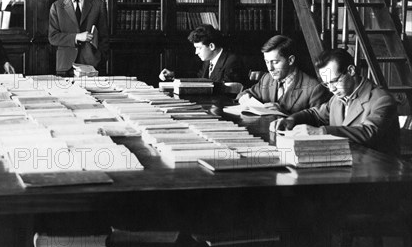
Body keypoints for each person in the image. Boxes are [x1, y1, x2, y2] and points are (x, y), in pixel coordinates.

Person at [270, 48, 400, 155]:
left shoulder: (382, 100)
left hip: (379, 173)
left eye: (334, 81)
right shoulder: (337, 99)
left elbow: (368, 133)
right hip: (347, 163)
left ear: (351, 71)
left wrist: (322, 132)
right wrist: (292, 119)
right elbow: (315, 114)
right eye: (326, 84)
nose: (331, 89)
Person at [237, 35, 331, 115]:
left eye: (275, 62)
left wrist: (283, 113)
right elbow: (246, 93)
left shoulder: (314, 88)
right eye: (267, 62)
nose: (270, 68)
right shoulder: (267, 79)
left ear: (290, 60)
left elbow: (318, 121)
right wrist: (244, 97)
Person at [48, 0, 110, 76]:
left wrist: (99, 58)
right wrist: (77, 37)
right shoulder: (57, 7)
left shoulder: (98, 5)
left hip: (91, 65)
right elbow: (53, 37)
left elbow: (104, 38)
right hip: (65, 66)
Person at [159, 24, 247, 86]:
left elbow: (225, 91)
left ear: (211, 46)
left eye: (199, 48)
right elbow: (199, 78)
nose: (196, 52)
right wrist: (174, 75)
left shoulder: (232, 62)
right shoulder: (209, 60)